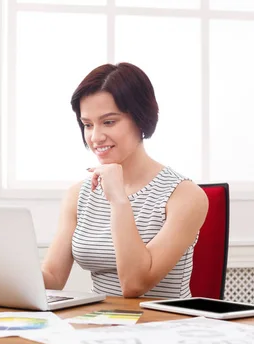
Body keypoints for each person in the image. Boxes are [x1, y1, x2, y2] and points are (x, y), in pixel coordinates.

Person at [41, 62, 209, 298]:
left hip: (163, 327)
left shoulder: (185, 196)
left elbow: (135, 284)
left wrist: (119, 200)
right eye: (87, 124)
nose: (95, 137)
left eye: (109, 122)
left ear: (141, 118)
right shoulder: (78, 195)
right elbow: (52, 277)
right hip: (99, 326)